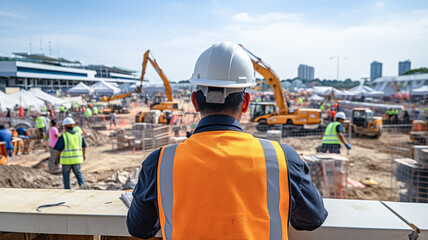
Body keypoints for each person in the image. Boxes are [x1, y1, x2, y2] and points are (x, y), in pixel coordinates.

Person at [127, 42, 327, 239]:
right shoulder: (282, 157)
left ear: (195, 102)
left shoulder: (160, 162)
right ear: (246, 102)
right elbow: (312, 219)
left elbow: (140, 228)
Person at [54, 117, 87, 189]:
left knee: (66, 176)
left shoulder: (64, 136)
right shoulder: (79, 135)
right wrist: (83, 155)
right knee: (79, 174)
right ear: (73, 125)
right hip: (77, 160)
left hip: (66, 161)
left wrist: (56, 159)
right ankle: (84, 189)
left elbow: (59, 150)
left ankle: (67, 191)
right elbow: (84, 147)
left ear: (64, 127)